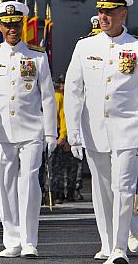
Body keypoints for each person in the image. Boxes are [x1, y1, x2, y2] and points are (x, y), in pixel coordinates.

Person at [64, 0, 138, 264]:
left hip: (128, 130)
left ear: (122, 14)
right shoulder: (84, 46)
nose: (103, 16)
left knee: (124, 188)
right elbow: (74, 91)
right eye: (100, 12)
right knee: (102, 190)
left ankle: (119, 249)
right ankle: (108, 243)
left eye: (109, 12)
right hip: (94, 131)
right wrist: (74, 133)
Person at [0, 1, 57, 258]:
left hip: (31, 130)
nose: (12, 29)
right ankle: (12, 239)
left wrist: (51, 132)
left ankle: (29, 240)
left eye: (16, 24)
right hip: (1, 132)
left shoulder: (37, 56)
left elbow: (48, 97)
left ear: (22, 25)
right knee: (3, 184)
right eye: (7, 25)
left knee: (30, 184)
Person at [50, 75, 77, 203]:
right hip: (45, 133)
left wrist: (64, 136)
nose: (62, 86)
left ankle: (71, 191)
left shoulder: (63, 97)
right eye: (60, 83)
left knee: (66, 166)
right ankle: (49, 193)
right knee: (48, 167)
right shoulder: (51, 96)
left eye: (64, 83)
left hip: (63, 133)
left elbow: (64, 118)